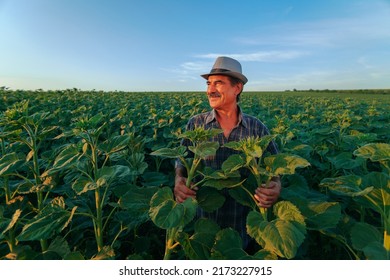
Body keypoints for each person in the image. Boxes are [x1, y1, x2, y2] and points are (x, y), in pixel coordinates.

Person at [174, 56, 281, 249]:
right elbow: (182, 161)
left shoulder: (256, 128)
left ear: (237, 88)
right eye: (209, 84)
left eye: (219, 83)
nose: (210, 90)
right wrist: (179, 181)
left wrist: (275, 186)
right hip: (204, 223)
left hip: (244, 228)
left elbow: (275, 167)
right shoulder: (196, 123)